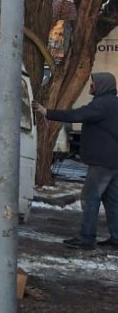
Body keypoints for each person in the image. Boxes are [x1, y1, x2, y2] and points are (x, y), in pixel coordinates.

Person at [34, 72, 118, 250]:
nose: (91, 86)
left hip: (101, 162)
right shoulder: (114, 104)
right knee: (111, 200)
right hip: (112, 162)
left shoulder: (102, 104)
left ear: (102, 85)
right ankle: (116, 237)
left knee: (89, 197)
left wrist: (47, 112)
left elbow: (77, 115)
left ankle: (86, 238)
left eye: (93, 83)